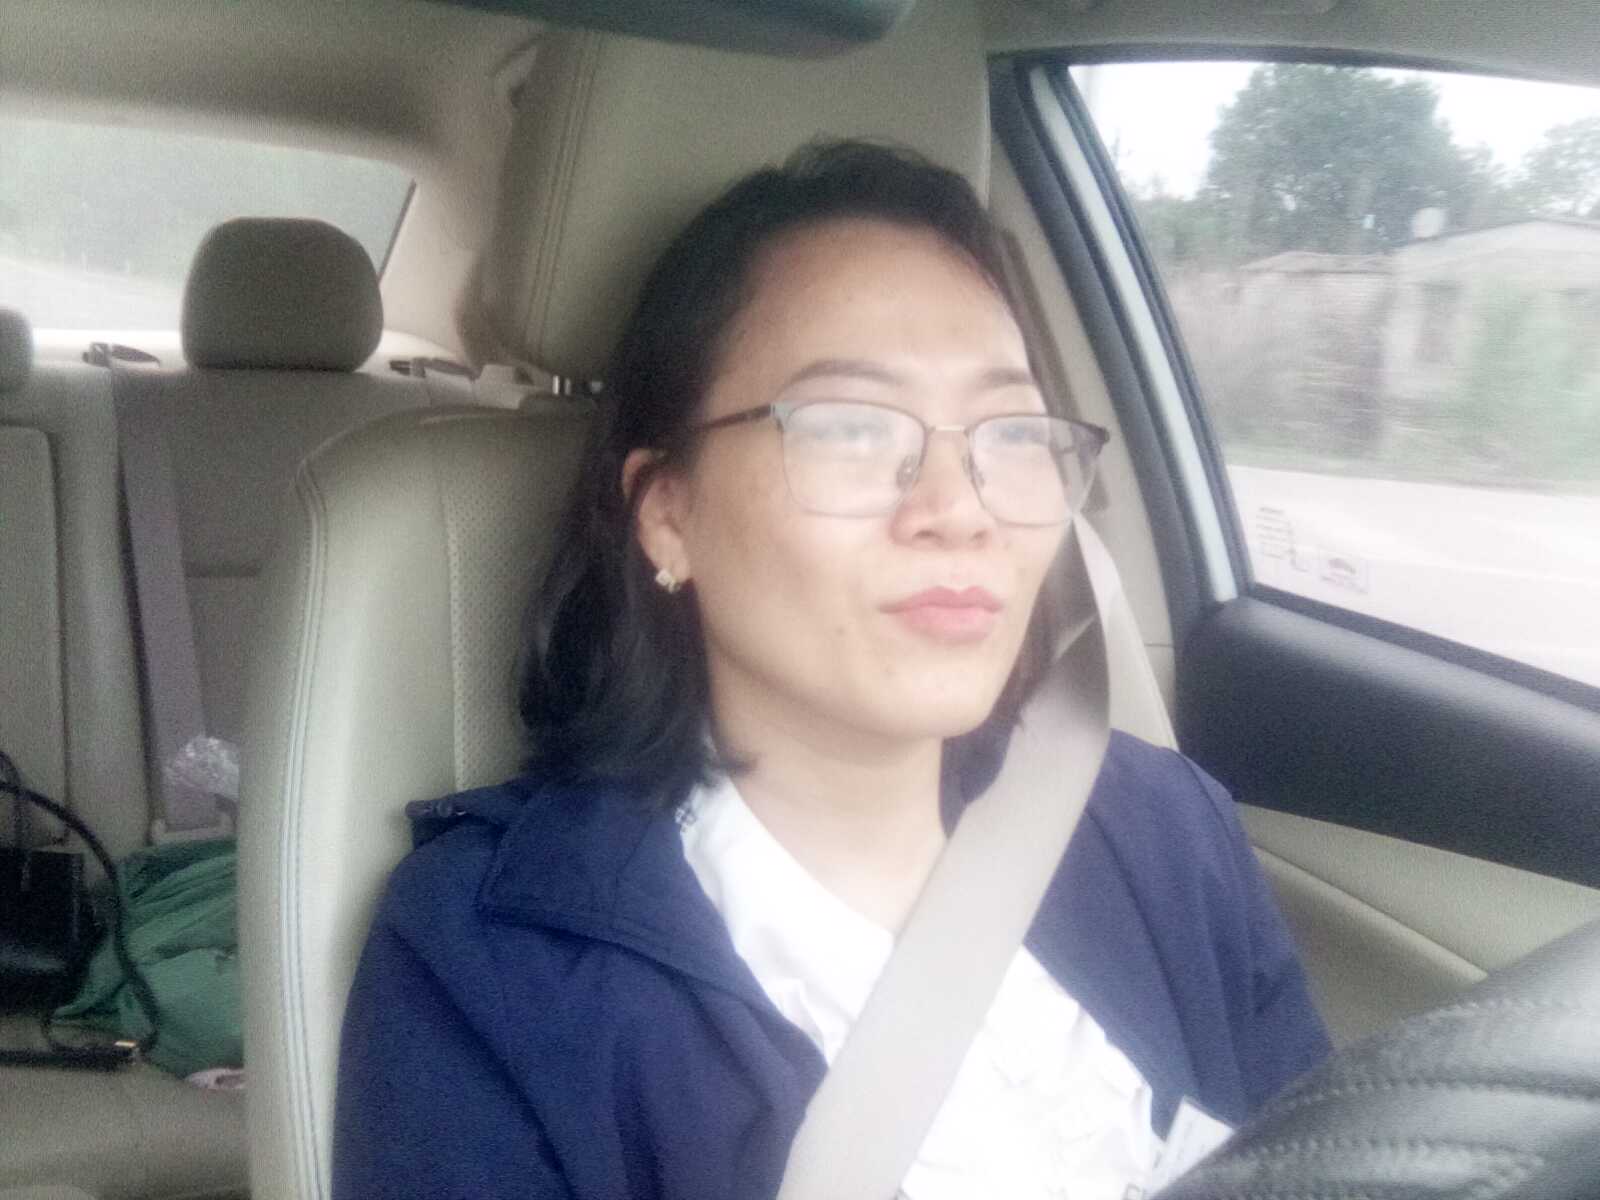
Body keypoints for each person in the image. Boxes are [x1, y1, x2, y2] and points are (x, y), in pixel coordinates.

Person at [332, 141, 1330, 1200]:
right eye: (852, 429)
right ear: (667, 514)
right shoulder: (498, 958)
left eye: (1010, 432)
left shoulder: (1168, 830)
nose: (960, 508)